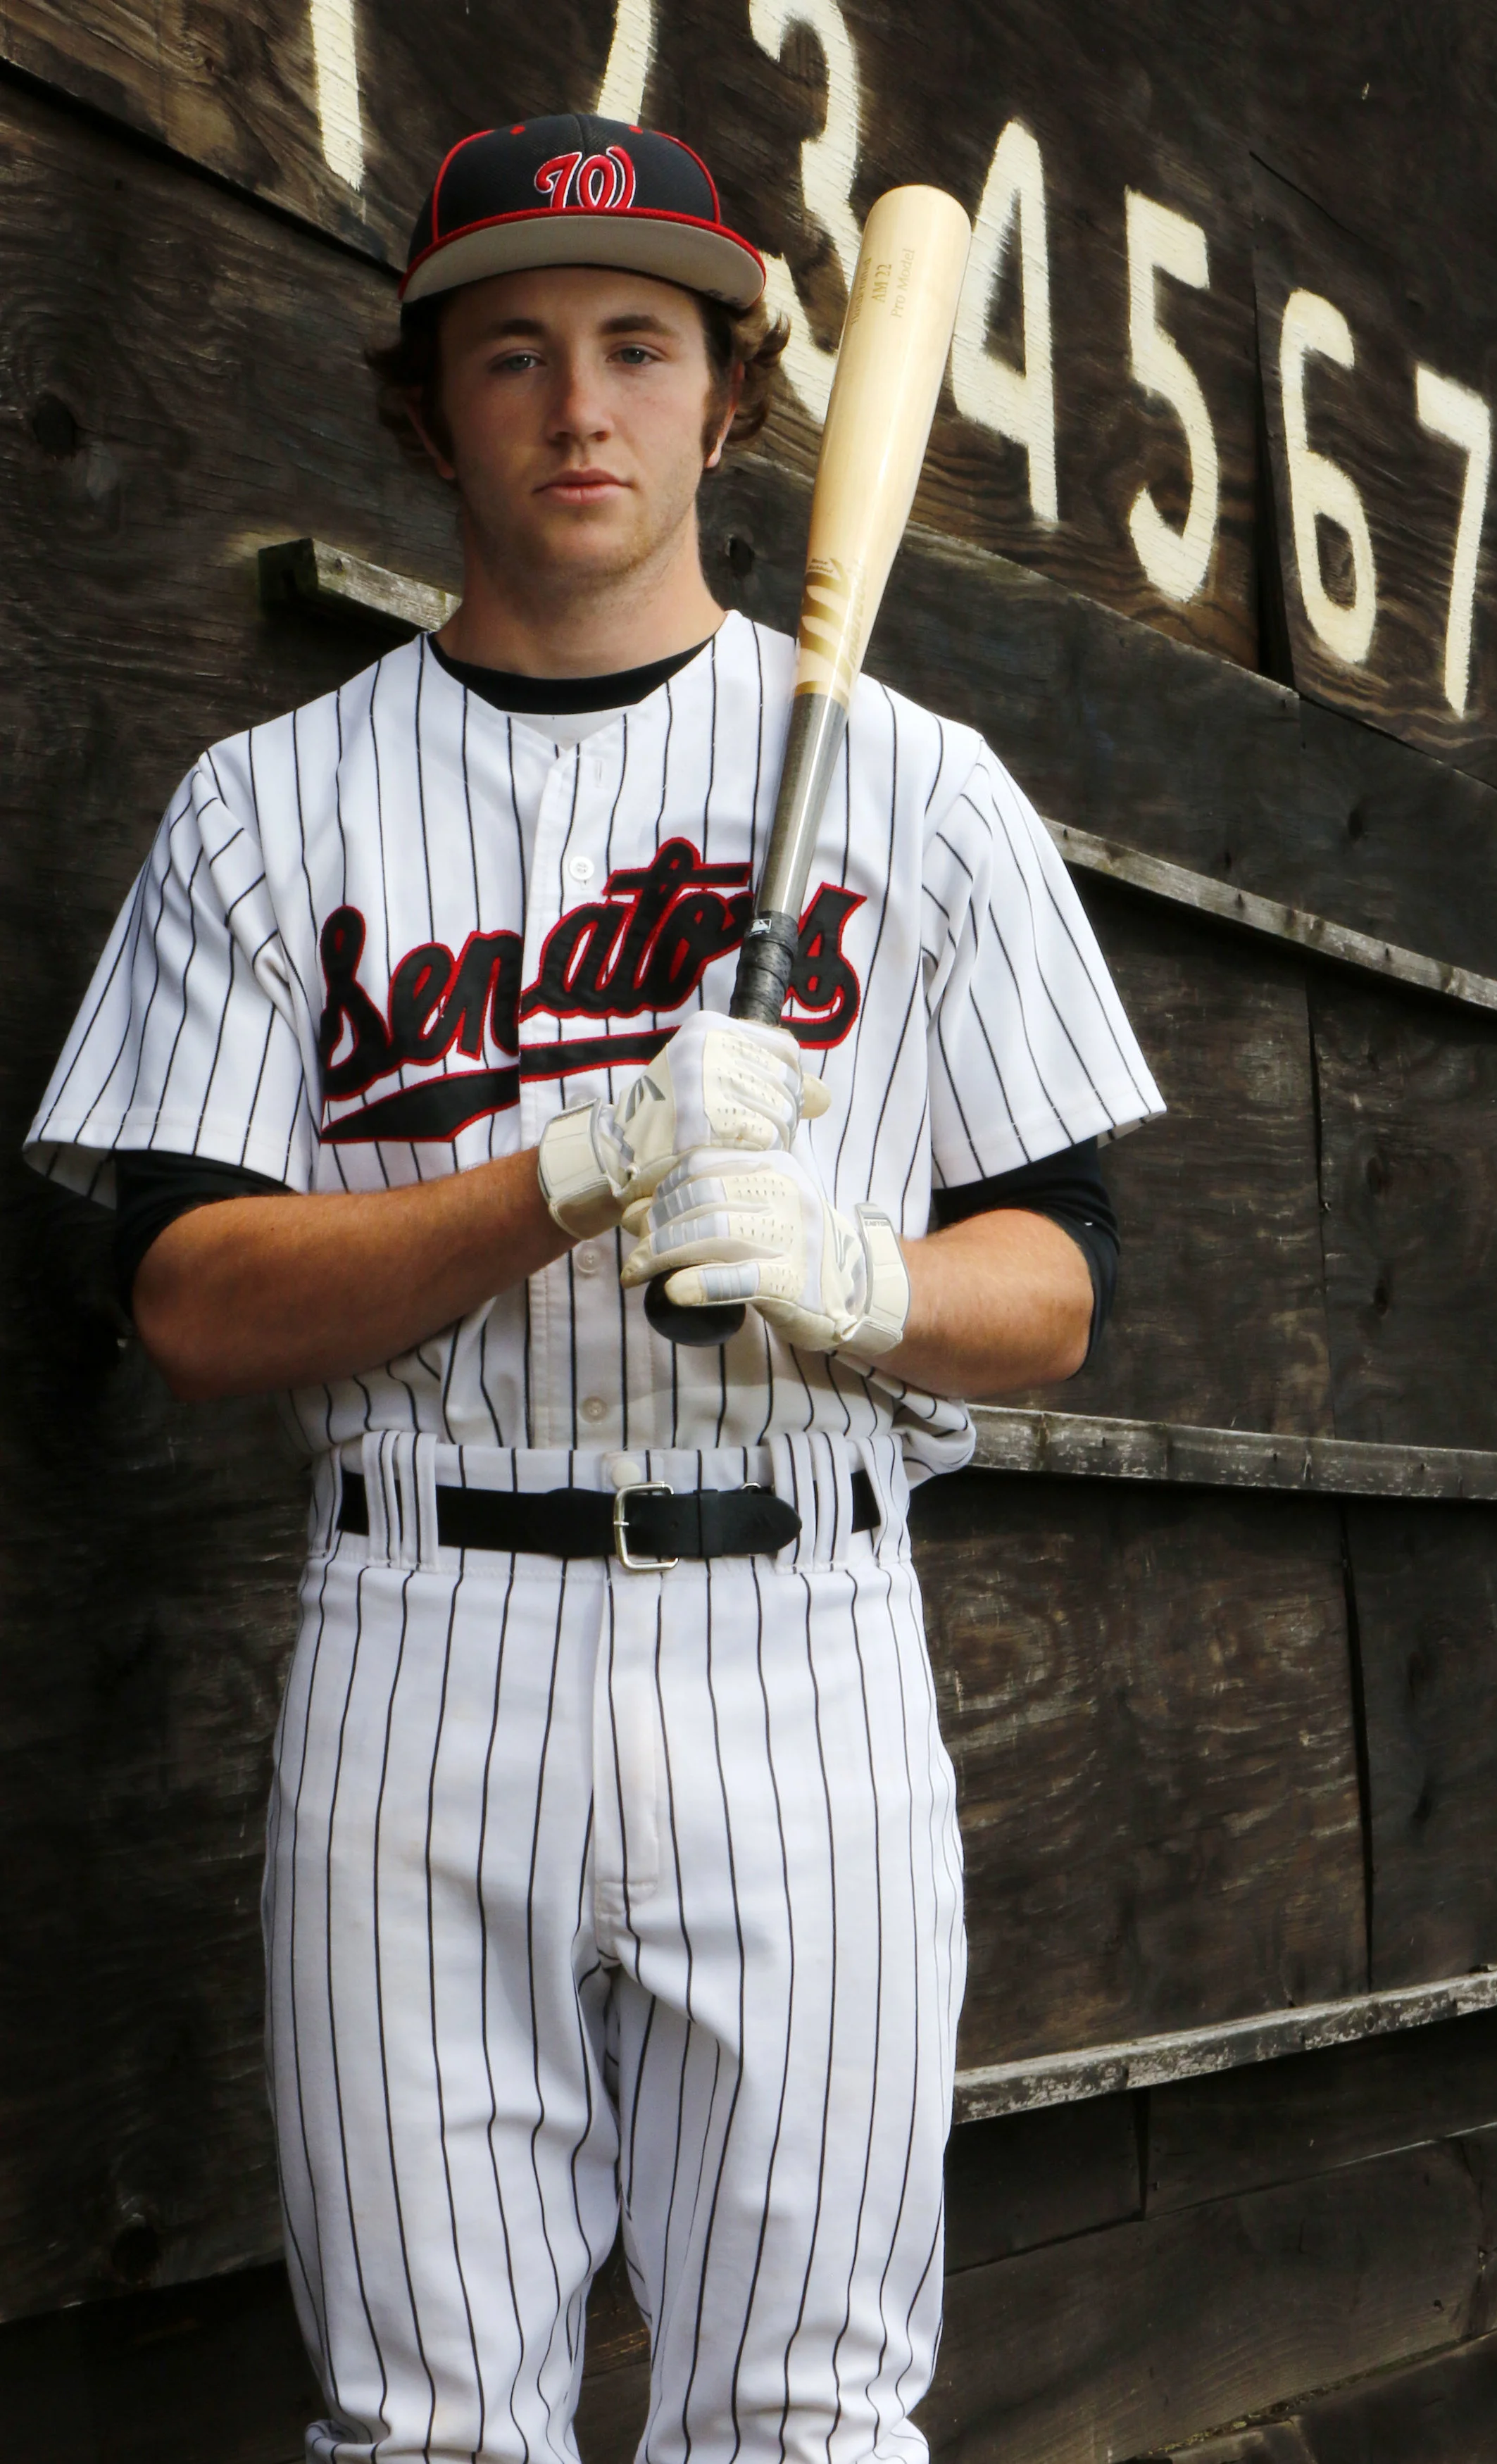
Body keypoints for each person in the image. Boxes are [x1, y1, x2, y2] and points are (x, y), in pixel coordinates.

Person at [25, 113, 1162, 2464]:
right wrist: (565, 1168)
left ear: (733, 400)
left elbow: (1055, 1280)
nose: (577, 407)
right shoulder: (272, 805)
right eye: (512, 349)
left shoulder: (922, 795)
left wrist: (858, 1275)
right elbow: (193, 1299)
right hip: (423, 1639)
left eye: (638, 346)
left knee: (809, 2415)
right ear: (422, 402)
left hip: (804, 1646)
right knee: (422, 2424)